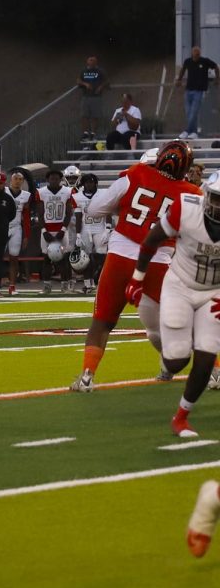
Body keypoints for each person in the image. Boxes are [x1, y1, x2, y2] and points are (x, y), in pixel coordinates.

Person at [70, 140, 198, 392]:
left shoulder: (135, 174)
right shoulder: (192, 193)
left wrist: (123, 209)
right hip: (159, 262)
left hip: (120, 256)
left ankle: (87, 376)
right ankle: (214, 370)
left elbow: (95, 209)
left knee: (102, 321)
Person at [129, 172, 220, 438]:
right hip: (179, 284)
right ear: (206, 195)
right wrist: (137, 279)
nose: (218, 206)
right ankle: (177, 346)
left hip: (214, 292)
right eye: (216, 198)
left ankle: (181, 417)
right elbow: (152, 240)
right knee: (177, 360)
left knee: (206, 356)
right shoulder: (185, 208)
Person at [35, 169, 75, 294]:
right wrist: (44, 231)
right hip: (47, 228)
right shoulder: (41, 192)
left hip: (61, 228)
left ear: (60, 180)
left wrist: (63, 230)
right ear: (48, 180)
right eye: (52, 178)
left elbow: (69, 213)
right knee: (46, 258)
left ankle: (65, 285)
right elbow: (40, 214)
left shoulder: (67, 191)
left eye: (56, 178)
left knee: (64, 258)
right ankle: (47, 286)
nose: (54, 180)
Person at [72, 173, 111, 294]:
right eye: (87, 182)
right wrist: (78, 234)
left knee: (102, 256)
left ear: (96, 183)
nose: (89, 184)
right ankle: (88, 284)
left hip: (100, 228)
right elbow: (78, 216)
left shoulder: (103, 194)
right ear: (83, 184)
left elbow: (108, 211)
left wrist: (108, 228)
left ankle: (100, 280)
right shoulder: (77, 197)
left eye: (92, 182)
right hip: (85, 228)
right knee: (85, 258)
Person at [175, 46, 219, 139]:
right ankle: (193, 132)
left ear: (199, 54)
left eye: (198, 53)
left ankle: (187, 130)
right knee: (188, 112)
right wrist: (179, 79)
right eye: (195, 53)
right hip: (188, 90)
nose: (196, 55)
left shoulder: (204, 61)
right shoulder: (188, 61)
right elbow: (183, 70)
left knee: (193, 112)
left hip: (198, 91)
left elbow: (215, 66)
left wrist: (217, 78)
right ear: (192, 53)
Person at [4, 169, 32, 295]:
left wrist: (26, 235)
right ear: (11, 179)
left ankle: (12, 286)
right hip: (2, 227)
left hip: (16, 227)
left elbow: (26, 217)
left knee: (14, 258)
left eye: (20, 179)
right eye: (16, 178)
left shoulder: (25, 195)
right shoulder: (3, 191)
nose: (18, 181)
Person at [78, 55, 109, 141]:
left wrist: (100, 87)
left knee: (95, 115)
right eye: (90, 60)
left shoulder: (100, 71)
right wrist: (85, 84)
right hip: (86, 96)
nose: (91, 62)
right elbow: (79, 80)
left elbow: (106, 81)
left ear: (96, 62)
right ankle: (85, 133)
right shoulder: (84, 71)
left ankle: (93, 133)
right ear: (87, 62)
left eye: (93, 60)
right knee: (84, 115)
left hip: (96, 96)